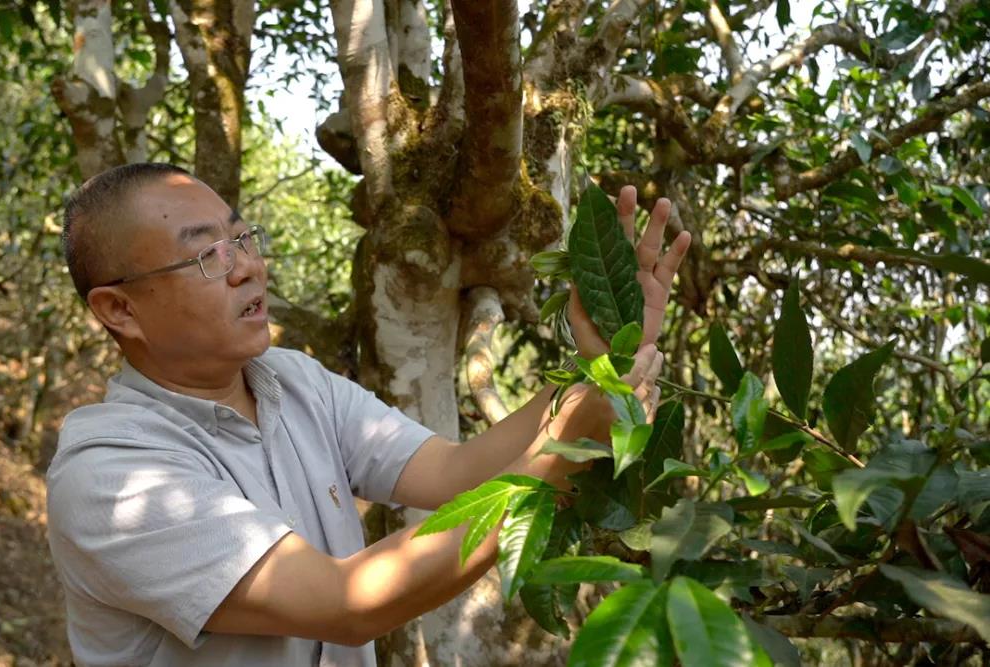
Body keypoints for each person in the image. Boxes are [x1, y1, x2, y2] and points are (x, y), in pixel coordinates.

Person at [46, 163, 691, 667]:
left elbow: (453, 473)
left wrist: (600, 365)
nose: (248, 268)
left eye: (242, 238)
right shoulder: (112, 479)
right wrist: (559, 455)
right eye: (207, 255)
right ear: (119, 310)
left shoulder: (294, 381)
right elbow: (346, 602)